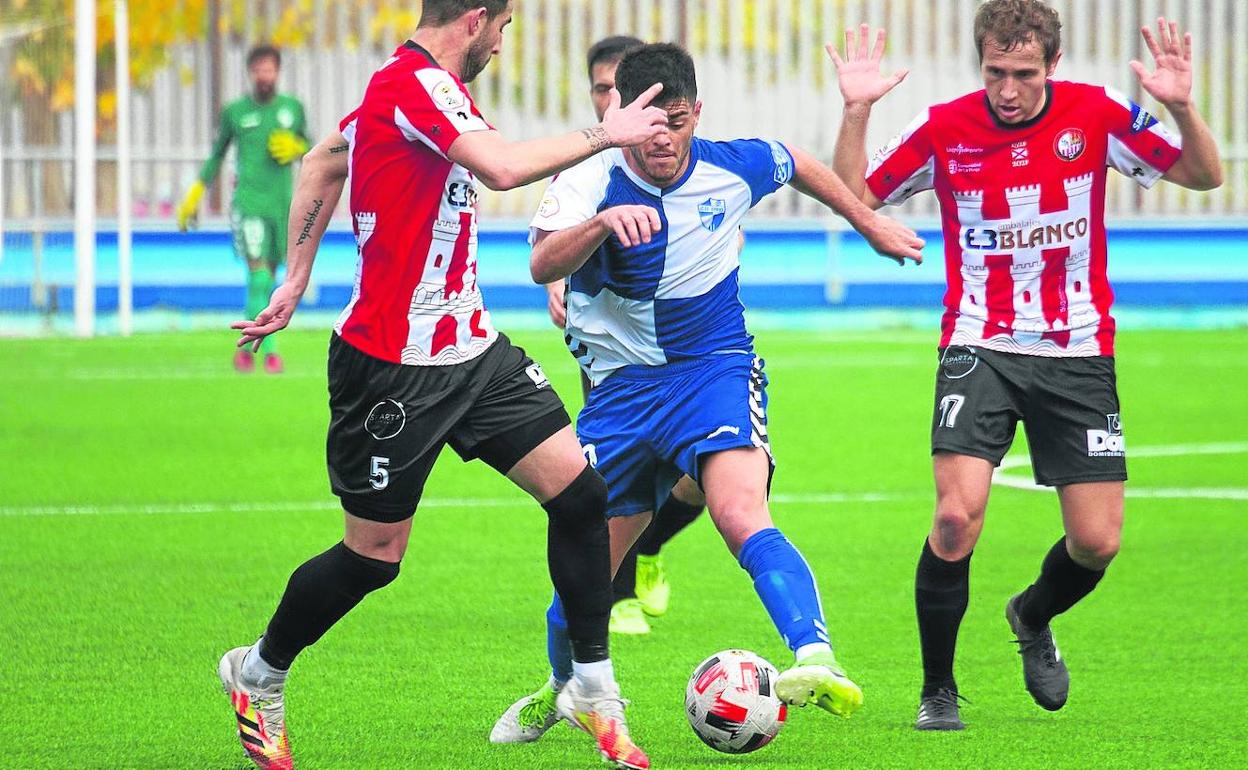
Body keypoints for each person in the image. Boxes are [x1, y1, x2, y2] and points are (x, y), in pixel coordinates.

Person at [217, 1, 670, 768]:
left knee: (581, 494)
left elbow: (327, 160)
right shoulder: (413, 84)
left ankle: (592, 687)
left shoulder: (419, 91)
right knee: (373, 558)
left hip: (472, 350)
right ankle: (257, 673)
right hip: (391, 366)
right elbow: (498, 170)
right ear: (475, 18)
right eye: (503, 27)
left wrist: (296, 279)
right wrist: (607, 133)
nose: (502, 42)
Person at [490, 42, 924, 747]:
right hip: (621, 393)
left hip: (711, 370)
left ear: (698, 114)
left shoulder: (728, 166)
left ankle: (814, 656)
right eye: (648, 121)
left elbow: (797, 160)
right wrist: (599, 226)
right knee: (584, 574)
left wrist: (868, 222)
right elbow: (541, 262)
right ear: (619, 114)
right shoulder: (588, 179)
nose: (663, 136)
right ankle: (561, 688)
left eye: (679, 118)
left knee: (738, 510)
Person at [828, 0, 1222, 731]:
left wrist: (1182, 107)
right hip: (979, 343)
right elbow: (858, 196)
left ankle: (1031, 615)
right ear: (981, 64)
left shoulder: (1095, 115)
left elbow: (1204, 175)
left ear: (1052, 67)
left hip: (1077, 350)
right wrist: (856, 110)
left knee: (1097, 542)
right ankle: (938, 690)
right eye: (995, 72)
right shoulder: (947, 128)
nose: (1007, 89)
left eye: (1023, 73)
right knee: (954, 518)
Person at [547, 35, 711, 638]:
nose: (614, 99)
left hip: (689, 345)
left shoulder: (682, 155)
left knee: (701, 476)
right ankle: (612, 598)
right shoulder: (584, 164)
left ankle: (648, 549)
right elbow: (551, 244)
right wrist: (555, 287)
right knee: (614, 478)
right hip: (612, 346)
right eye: (604, 89)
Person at [176, 45, 309, 374]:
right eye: (259, 69)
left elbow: (312, 147)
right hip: (249, 202)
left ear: (277, 72)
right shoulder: (235, 112)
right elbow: (217, 154)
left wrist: (297, 148)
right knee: (259, 276)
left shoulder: (292, 109)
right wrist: (195, 193)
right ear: (251, 72)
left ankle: (250, 350)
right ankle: (268, 351)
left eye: (270, 69)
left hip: (282, 205)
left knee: (274, 280)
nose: (264, 75)